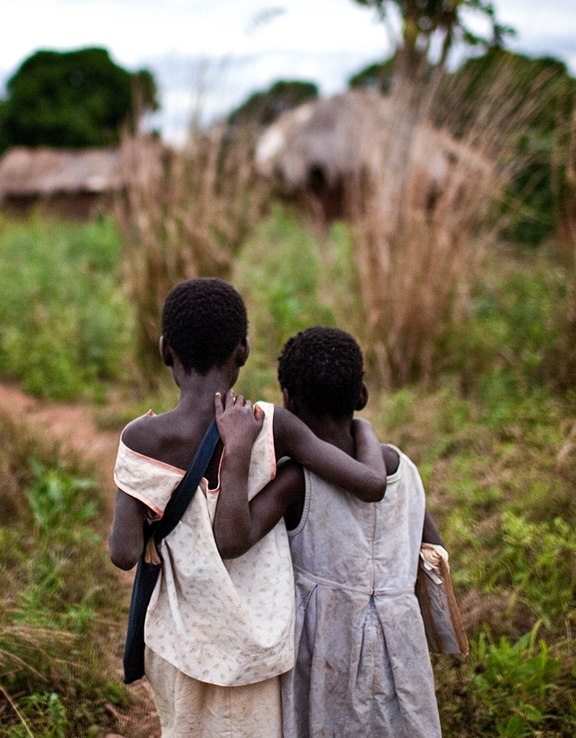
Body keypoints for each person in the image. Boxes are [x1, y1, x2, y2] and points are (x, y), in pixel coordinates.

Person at [108, 280, 389, 738]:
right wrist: (367, 429)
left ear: (165, 351)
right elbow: (371, 484)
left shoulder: (144, 438)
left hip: (181, 645)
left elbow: (123, 552)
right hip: (259, 648)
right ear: (243, 351)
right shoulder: (273, 425)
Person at [212, 326, 444, 738]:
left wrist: (237, 450)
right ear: (361, 396)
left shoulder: (296, 480)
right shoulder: (402, 469)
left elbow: (232, 539)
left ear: (289, 401)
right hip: (401, 649)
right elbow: (434, 555)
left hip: (325, 653)